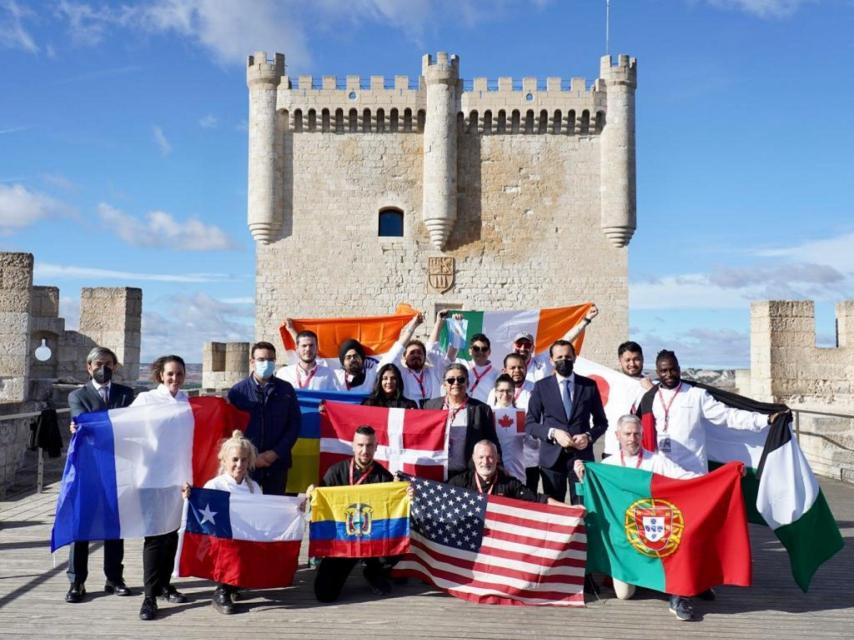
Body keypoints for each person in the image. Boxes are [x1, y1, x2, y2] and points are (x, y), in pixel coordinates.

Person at [575, 415, 699, 620]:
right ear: (617, 436)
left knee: (680, 541)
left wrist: (720, 476)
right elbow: (593, 496)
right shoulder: (608, 464)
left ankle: (678, 593)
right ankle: (644, 578)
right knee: (624, 595)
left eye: (636, 434)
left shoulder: (656, 461)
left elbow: (685, 478)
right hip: (625, 541)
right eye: (627, 434)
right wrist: (583, 476)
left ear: (642, 435)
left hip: (654, 534)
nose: (632, 438)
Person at [634, 350, 780, 477]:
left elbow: (728, 416)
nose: (669, 374)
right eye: (664, 371)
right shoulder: (650, 398)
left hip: (693, 472)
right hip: (664, 471)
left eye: (673, 369)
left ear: (679, 369)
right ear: (658, 372)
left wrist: (764, 419)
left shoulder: (696, 395)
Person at [65, 347, 136, 604]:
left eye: (108, 363)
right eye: (98, 363)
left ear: (115, 366)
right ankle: (77, 581)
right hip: (88, 469)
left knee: (114, 526)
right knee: (81, 524)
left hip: (118, 468)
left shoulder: (126, 394)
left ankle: (114, 578)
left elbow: (132, 425)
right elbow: (85, 422)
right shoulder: (77, 396)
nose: (102, 368)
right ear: (88, 367)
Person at [131, 355, 190, 621]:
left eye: (179, 374)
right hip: (152, 478)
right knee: (155, 537)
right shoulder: (146, 400)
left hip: (178, 480)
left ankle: (165, 584)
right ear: (160, 375)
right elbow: (123, 425)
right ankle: (149, 596)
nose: (174, 379)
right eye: (170, 374)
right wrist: (84, 425)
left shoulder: (187, 401)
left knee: (171, 535)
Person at [308, 426, 396, 603]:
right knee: (325, 594)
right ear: (353, 446)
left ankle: (373, 572)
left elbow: (394, 514)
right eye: (361, 445)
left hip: (372, 541)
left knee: (400, 534)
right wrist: (312, 496)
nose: (365, 451)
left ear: (376, 446)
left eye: (369, 445)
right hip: (343, 542)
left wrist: (404, 495)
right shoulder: (336, 472)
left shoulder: (384, 477)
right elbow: (320, 507)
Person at [183, 430, 262, 615]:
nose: (239, 464)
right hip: (219, 543)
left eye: (243, 460)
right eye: (234, 459)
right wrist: (189, 495)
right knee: (229, 545)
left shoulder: (254, 488)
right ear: (224, 461)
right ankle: (222, 590)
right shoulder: (215, 485)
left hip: (244, 539)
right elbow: (200, 510)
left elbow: (261, 516)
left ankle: (235, 582)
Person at [525, 340, 608, 503]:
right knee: (556, 509)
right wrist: (553, 433)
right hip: (552, 460)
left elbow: (602, 422)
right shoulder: (541, 387)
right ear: (551, 360)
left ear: (575, 358)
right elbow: (530, 424)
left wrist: (588, 436)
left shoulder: (589, 386)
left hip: (581, 457)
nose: (564, 360)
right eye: (559, 357)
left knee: (583, 505)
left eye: (568, 356)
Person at [228, 341, 301, 495]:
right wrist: (251, 457)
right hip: (246, 464)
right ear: (252, 362)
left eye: (270, 360)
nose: (266, 363)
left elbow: (294, 425)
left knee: (275, 509)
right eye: (261, 360)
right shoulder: (237, 392)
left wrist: (275, 453)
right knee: (246, 508)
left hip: (277, 463)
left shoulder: (286, 390)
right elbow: (231, 428)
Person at [422, 363, 499, 479]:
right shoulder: (430, 406)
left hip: (466, 475)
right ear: (444, 384)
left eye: (461, 379)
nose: (456, 383)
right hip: (436, 471)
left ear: (467, 383)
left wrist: (499, 466)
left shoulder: (481, 409)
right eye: (451, 380)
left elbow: (492, 441)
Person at [449, 440, 573, 508]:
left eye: (490, 457)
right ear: (474, 458)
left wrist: (570, 509)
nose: (485, 462)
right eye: (481, 457)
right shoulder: (459, 482)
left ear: (497, 459)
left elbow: (539, 499)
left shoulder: (509, 483)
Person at [333, 313, 422, 394]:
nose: (352, 359)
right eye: (348, 357)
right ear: (343, 362)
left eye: (356, 356)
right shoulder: (335, 376)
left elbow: (396, 352)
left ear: (362, 359)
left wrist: (413, 326)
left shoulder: (372, 374)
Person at [512, 304, 599, 383]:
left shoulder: (543, 361)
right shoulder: (507, 368)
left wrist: (586, 320)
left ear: (532, 348)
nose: (522, 348)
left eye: (527, 345)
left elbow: (566, 340)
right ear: (513, 346)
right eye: (519, 344)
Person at [600, 341, 654, 459]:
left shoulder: (652, 387)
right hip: (613, 450)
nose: (632, 364)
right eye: (628, 360)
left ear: (643, 359)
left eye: (636, 359)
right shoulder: (611, 384)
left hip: (644, 453)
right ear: (620, 361)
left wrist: (652, 390)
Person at [276, 321, 335, 390]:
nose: (308, 349)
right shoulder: (283, 373)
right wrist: (291, 330)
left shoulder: (329, 374)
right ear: (297, 348)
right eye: (304, 346)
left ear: (317, 348)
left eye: (311, 345)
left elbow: (333, 398)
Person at [463, 333, 499, 403]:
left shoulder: (497, 374)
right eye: (476, 349)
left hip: (483, 411)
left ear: (489, 352)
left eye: (484, 349)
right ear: (470, 351)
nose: (480, 352)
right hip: (463, 409)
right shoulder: (462, 366)